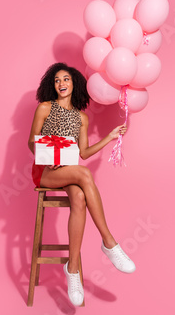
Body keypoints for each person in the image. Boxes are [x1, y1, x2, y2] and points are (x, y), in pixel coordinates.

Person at [28, 62, 135, 306]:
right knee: (85, 176)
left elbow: (84, 153)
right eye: (57, 80)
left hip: (70, 171)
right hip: (46, 170)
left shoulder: (81, 118)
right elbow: (31, 143)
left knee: (78, 196)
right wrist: (50, 156)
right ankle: (109, 242)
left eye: (66, 79)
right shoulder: (44, 108)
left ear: (74, 83)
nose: (61, 84)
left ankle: (72, 269)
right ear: (51, 86)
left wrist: (108, 137)